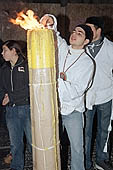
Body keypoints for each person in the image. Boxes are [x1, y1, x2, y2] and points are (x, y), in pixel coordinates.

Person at [40, 15, 95, 170]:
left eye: (80, 33)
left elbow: (77, 90)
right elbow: (54, 32)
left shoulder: (88, 63)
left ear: (86, 42)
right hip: (55, 107)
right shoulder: (63, 48)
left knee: (77, 149)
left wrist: (58, 81)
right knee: (54, 145)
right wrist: (49, 19)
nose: (74, 34)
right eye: (74, 31)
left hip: (73, 111)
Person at [84, 16, 113, 170]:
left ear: (99, 30)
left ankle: (102, 159)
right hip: (87, 98)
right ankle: (86, 162)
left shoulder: (111, 48)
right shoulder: (82, 45)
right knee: (86, 133)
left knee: (105, 131)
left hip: (106, 96)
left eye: (90, 28)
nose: (87, 31)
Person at [0, 40, 32, 170]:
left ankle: (40, 164)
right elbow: (1, 88)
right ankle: (16, 167)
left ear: (14, 50)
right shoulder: (4, 69)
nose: (2, 53)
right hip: (11, 110)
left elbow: (29, 88)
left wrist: (11, 97)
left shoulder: (27, 66)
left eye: (5, 50)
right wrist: (3, 97)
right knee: (15, 143)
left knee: (32, 141)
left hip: (26, 108)